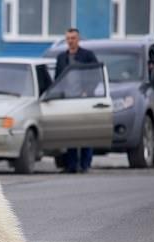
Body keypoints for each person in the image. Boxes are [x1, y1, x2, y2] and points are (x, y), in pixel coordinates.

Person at [55, 28, 98, 173]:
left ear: (78, 39)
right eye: (68, 38)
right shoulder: (62, 57)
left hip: (84, 100)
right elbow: (58, 79)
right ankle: (71, 165)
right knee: (70, 133)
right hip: (68, 100)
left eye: (73, 38)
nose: (70, 41)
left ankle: (85, 164)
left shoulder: (87, 55)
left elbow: (95, 76)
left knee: (85, 133)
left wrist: (88, 91)